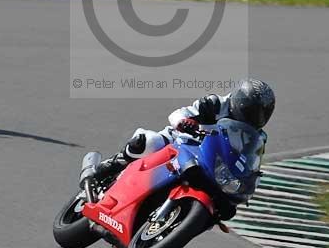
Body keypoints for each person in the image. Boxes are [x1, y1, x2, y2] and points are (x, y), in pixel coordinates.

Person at [93, 79, 275, 213]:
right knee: (147, 142)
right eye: (251, 111)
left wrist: (249, 181)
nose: (255, 118)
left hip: (212, 161)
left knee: (221, 205)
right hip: (182, 141)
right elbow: (178, 114)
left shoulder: (258, 137)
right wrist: (183, 122)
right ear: (239, 102)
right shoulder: (215, 104)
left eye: (262, 114)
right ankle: (111, 167)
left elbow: (253, 162)